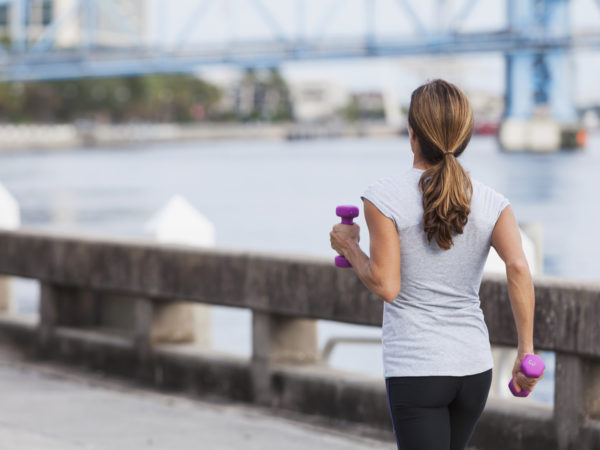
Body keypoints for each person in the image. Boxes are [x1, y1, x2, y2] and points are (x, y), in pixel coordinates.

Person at [329, 79, 544, 450]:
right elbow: (519, 268)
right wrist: (526, 352)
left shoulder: (383, 197)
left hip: (418, 369)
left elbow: (386, 284)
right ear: (465, 135)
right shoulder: (494, 202)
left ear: (412, 134)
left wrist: (350, 248)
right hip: (474, 369)